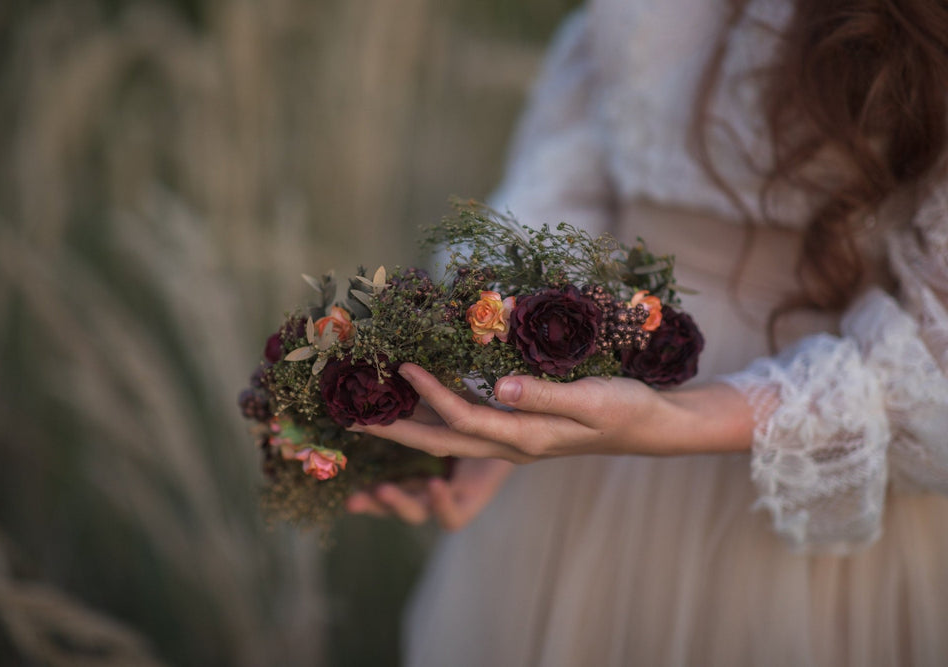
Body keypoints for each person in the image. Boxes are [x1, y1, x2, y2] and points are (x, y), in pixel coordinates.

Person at [347, 0, 948, 664]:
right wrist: (500, 385)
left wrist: (665, 420)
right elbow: (566, 190)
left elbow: (935, 362)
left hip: (800, 454)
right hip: (586, 437)